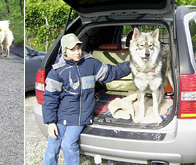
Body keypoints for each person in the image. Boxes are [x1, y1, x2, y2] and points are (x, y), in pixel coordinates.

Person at [42, 33, 131, 165]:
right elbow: (50, 98)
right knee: (52, 147)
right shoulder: (57, 71)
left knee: (68, 145)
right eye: (72, 49)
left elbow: (112, 72)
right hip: (61, 115)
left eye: (79, 48)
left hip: (80, 117)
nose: (77, 52)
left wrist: (132, 64)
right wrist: (50, 122)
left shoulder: (91, 63)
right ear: (65, 50)